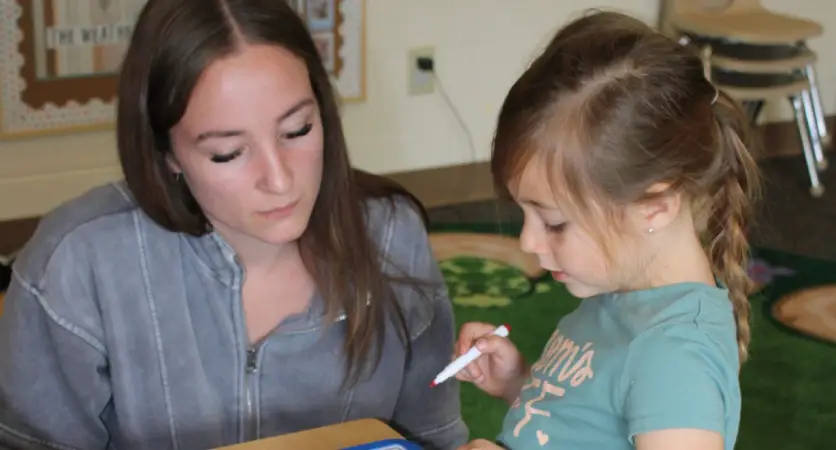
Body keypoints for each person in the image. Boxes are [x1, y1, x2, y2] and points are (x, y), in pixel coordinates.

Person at [0, 1, 467, 449]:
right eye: (227, 152)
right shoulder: (76, 263)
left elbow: (431, 433)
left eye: (297, 130)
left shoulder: (390, 235)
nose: (280, 180)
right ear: (167, 154)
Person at [455, 10, 760, 450]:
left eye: (554, 222)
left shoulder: (675, 362)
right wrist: (518, 384)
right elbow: (579, 430)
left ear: (653, 207)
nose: (527, 242)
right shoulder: (618, 293)